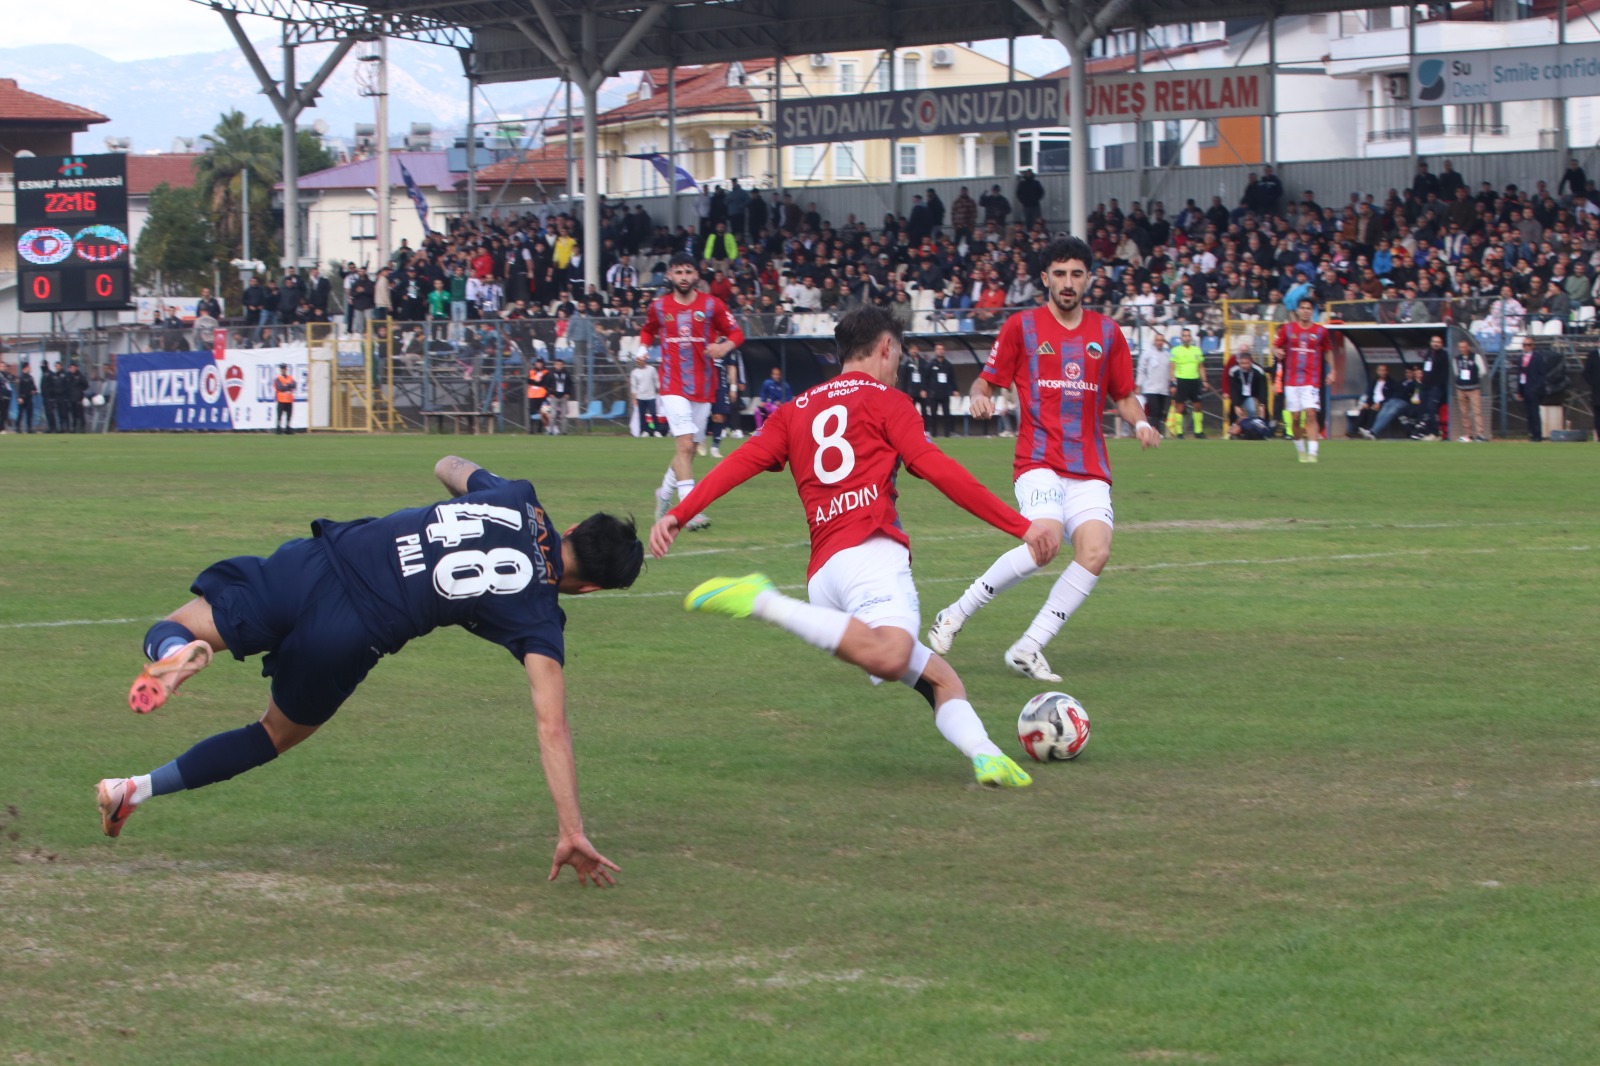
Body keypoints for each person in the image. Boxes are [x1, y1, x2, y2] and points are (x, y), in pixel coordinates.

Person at [96, 455, 644, 888]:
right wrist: (571, 830)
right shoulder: (539, 617)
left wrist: (477, 504)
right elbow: (552, 727)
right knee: (272, 734)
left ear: (572, 526)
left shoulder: (517, 496)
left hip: (317, 563)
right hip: (351, 631)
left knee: (177, 624)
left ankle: (175, 656)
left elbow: (447, 463)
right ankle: (134, 790)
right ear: (591, 588)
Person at [648, 306, 1059, 789]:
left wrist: (680, 510)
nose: (899, 363)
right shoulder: (888, 401)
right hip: (871, 557)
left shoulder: (794, 409)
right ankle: (763, 601)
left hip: (825, 575)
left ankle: (986, 755)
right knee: (890, 656)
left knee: (941, 679)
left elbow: (741, 462)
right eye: (900, 352)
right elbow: (938, 468)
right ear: (886, 347)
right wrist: (1020, 525)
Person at [929, 236, 1161, 683]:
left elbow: (1124, 395)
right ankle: (955, 613)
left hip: (1089, 466)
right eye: (1059, 274)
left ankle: (1029, 646)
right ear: (1044, 279)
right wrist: (979, 399)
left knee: (1096, 551)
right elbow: (985, 383)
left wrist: (1142, 423)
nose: (1068, 282)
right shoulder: (1021, 327)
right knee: (1046, 544)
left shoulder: (1108, 334)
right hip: (1038, 460)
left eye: (1076, 274)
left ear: (1089, 278)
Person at [642, 253, 745, 532]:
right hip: (672, 385)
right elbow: (648, 330)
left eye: (688, 271)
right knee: (686, 446)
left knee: (687, 452)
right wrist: (642, 350)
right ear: (670, 276)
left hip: (704, 387)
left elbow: (737, 333)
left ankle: (663, 494)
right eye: (678, 272)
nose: (684, 277)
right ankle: (689, 510)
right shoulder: (660, 306)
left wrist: (723, 347)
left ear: (696, 275)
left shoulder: (712, 305)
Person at [1273, 300, 1336, 463]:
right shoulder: (1288, 329)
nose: (1306, 311)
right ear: (1298, 310)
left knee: (1311, 413)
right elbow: (1275, 345)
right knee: (1295, 418)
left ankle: (1313, 453)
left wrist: (1333, 370)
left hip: (1312, 379)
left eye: (1309, 308)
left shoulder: (1320, 331)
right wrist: (1276, 351)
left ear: (1312, 311)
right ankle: (1301, 450)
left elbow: (1328, 351)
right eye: (1303, 308)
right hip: (1292, 380)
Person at [1167, 327, 1207, 439]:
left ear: (1191, 337)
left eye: (1188, 335)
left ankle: (1198, 432)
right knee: (1180, 407)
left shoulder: (1196, 350)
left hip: (1194, 380)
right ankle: (1179, 433)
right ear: (1181, 337)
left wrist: (1204, 380)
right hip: (1181, 380)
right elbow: (1171, 368)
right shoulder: (1175, 350)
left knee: (1198, 405)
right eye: (1184, 335)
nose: (1186, 338)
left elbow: (1201, 366)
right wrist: (1173, 383)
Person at [1452, 339, 1490, 442]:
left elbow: (1482, 371)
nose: (1462, 349)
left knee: (1477, 411)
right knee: (1464, 412)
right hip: (1461, 389)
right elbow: (1456, 372)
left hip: (1473, 388)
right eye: (1460, 347)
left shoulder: (1475, 357)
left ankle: (1480, 434)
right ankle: (1468, 434)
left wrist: (1473, 378)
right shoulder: (1456, 359)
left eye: (1464, 347)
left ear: (1468, 347)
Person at [1356, 363, 1406, 439]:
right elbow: (1369, 393)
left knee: (1375, 411)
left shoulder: (1391, 383)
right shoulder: (1374, 382)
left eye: (1384, 370)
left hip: (1384, 404)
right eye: (1381, 370)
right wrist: (1366, 402)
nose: (1383, 372)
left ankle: (1370, 431)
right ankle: (1355, 431)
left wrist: (1380, 403)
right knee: (1364, 410)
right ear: (1377, 371)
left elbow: (1390, 397)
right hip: (1373, 402)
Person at [1226, 349, 1270, 434]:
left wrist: (1262, 403)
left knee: (1255, 409)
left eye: (1247, 363)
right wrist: (1236, 405)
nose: (1244, 366)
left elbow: (1263, 388)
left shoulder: (1259, 371)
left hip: (1254, 391)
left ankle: (1264, 429)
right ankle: (1232, 430)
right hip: (1240, 393)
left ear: (1251, 362)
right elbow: (1233, 389)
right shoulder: (1233, 371)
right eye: (1242, 363)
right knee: (1233, 409)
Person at [1517, 336, 1547, 441]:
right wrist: (1520, 390)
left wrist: (1536, 388)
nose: (1526, 347)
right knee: (1529, 413)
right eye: (1524, 345)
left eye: (1528, 345)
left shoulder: (1538, 358)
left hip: (1534, 389)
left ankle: (1537, 434)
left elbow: (1541, 375)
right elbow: (1520, 375)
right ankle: (1531, 433)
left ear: (1533, 346)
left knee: (1534, 412)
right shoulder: (1521, 358)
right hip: (1525, 387)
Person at [629, 352, 662, 437]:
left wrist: (659, 390)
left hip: (651, 396)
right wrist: (634, 398)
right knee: (642, 415)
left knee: (653, 413)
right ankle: (644, 431)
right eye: (638, 361)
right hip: (640, 397)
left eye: (641, 361)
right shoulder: (634, 372)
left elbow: (656, 380)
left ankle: (656, 431)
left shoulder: (651, 369)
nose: (640, 363)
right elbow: (634, 386)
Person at [544, 357, 572, 436]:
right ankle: (551, 431)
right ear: (554, 365)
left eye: (560, 364)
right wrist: (550, 393)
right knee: (553, 415)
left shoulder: (566, 373)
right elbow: (546, 385)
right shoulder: (550, 374)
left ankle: (564, 431)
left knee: (563, 415)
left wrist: (568, 393)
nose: (559, 366)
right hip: (554, 396)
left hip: (563, 396)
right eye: (557, 364)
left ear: (563, 365)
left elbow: (570, 384)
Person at [526, 358, 550, 434]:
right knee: (532, 412)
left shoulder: (546, 372)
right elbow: (529, 381)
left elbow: (544, 382)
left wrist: (536, 382)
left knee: (542, 412)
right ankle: (531, 429)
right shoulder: (532, 371)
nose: (538, 364)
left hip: (542, 395)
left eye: (540, 363)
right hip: (532, 395)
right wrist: (536, 382)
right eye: (537, 363)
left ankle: (540, 428)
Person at [273, 363, 297, 435]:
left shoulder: (290, 378)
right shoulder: (278, 378)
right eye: (282, 369)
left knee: (289, 415)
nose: (283, 370)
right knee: (280, 415)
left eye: (284, 368)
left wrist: (286, 385)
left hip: (289, 399)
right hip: (281, 399)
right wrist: (288, 385)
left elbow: (294, 385)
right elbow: (280, 387)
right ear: (280, 370)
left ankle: (287, 427)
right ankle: (278, 427)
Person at [15, 362, 35, 433]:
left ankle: (29, 428)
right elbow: (18, 388)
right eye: (29, 367)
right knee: (20, 413)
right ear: (25, 367)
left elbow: (33, 387)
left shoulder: (30, 377)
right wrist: (19, 397)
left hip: (29, 398)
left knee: (29, 413)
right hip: (22, 398)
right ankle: (17, 428)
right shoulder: (20, 377)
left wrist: (34, 390)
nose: (30, 368)